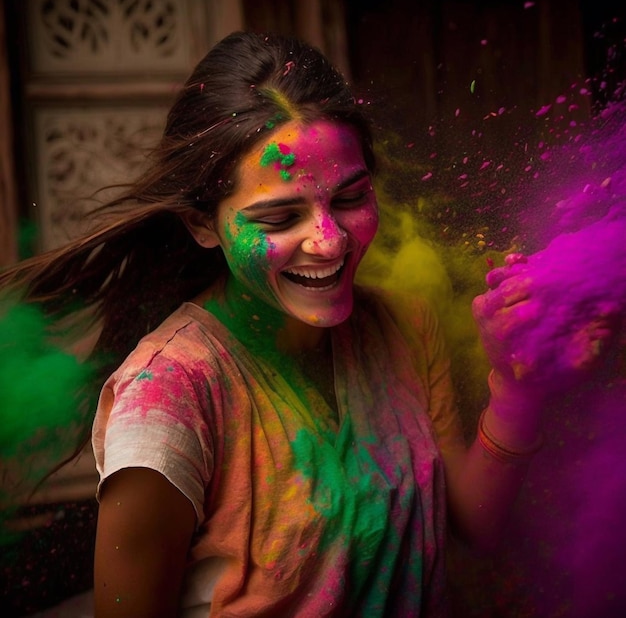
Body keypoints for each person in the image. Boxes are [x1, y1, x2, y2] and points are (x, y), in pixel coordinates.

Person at [0, 31, 613, 617]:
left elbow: (475, 523)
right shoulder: (166, 398)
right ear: (202, 223)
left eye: (349, 199)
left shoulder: (404, 325)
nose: (329, 241)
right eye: (278, 217)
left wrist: (517, 384)